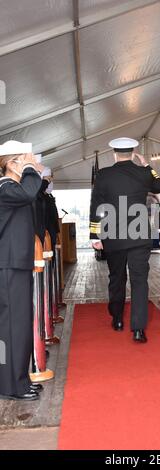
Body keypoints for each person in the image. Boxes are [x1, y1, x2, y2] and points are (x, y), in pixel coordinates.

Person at [89, 137, 160, 343]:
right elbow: (158, 187)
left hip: (113, 234)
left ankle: (117, 319)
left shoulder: (104, 175)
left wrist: (95, 235)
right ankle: (138, 329)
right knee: (140, 281)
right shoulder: (143, 173)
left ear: (114, 154)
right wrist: (148, 165)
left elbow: (96, 205)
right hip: (139, 234)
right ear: (132, 153)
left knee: (117, 277)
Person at [0, 140, 43, 401]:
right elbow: (29, 193)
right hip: (9, 263)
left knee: (17, 324)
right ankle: (13, 385)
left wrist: (27, 167)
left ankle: (18, 380)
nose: (33, 163)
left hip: (15, 262)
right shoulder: (6, 188)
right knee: (14, 326)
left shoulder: (12, 188)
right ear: (11, 163)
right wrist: (29, 168)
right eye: (26, 159)